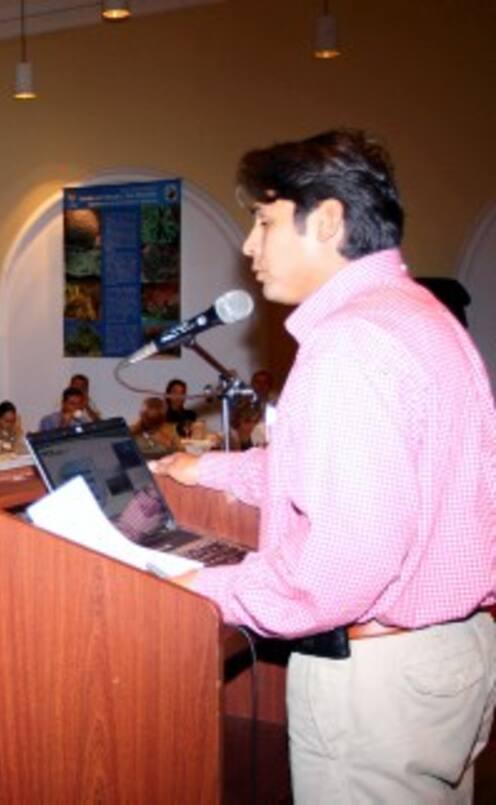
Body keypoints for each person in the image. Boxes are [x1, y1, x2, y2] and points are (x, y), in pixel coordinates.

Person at [152, 129, 496, 802]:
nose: (249, 245)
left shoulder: (349, 344)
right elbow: (382, 479)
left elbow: (342, 565)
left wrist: (203, 584)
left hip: (377, 677)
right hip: (449, 651)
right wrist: (213, 471)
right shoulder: (419, 315)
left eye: (264, 219)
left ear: (329, 218)